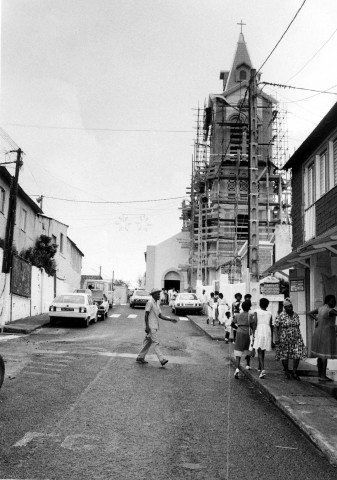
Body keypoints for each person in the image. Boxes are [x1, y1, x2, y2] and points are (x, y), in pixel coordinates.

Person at [136, 288, 177, 367]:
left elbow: (160, 315)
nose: (159, 295)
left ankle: (140, 357)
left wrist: (170, 319)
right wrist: (147, 326)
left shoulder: (157, 303)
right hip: (151, 326)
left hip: (154, 326)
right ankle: (162, 359)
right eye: (157, 294)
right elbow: (146, 314)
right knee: (156, 342)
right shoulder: (150, 302)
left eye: (159, 294)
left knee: (148, 342)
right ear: (153, 295)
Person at [274, 298, 306, 380]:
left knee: (297, 353)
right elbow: (276, 327)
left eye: (291, 306)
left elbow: (298, 325)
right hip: (285, 336)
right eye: (288, 307)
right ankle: (286, 372)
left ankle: (294, 372)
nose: (290, 308)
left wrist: (299, 335)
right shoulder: (281, 315)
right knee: (285, 355)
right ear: (285, 307)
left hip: (296, 336)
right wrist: (276, 337)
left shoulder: (295, 315)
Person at [308, 295, 337, 382]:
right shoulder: (330, 310)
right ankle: (323, 376)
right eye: (332, 301)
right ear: (328, 301)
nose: (334, 303)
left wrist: (316, 319)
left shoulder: (321, 308)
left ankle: (320, 374)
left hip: (318, 333)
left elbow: (309, 313)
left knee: (320, 355)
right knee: (325, 355)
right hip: (326, 334)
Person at [252, 298, 272, 379]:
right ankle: (260, 367)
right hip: (267, 330)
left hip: (260, 329)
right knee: (262, 350)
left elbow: (255, 322)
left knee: (259, 350)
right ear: (267, 305)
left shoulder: (256, 311)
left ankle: (263, 369)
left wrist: (254, 332)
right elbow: (270, 324)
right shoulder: (269, 313)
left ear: (260, 304)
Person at [233, 301, 254, 378]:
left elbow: (232, 323)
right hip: (247, 333)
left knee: (238, 351)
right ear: (249, 308)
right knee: (248, 349)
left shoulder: (238, 315)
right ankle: (248, 364)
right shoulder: (250, 315)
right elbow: (252, 325)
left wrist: (238, 328)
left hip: (239, 333)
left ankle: (237, 369)